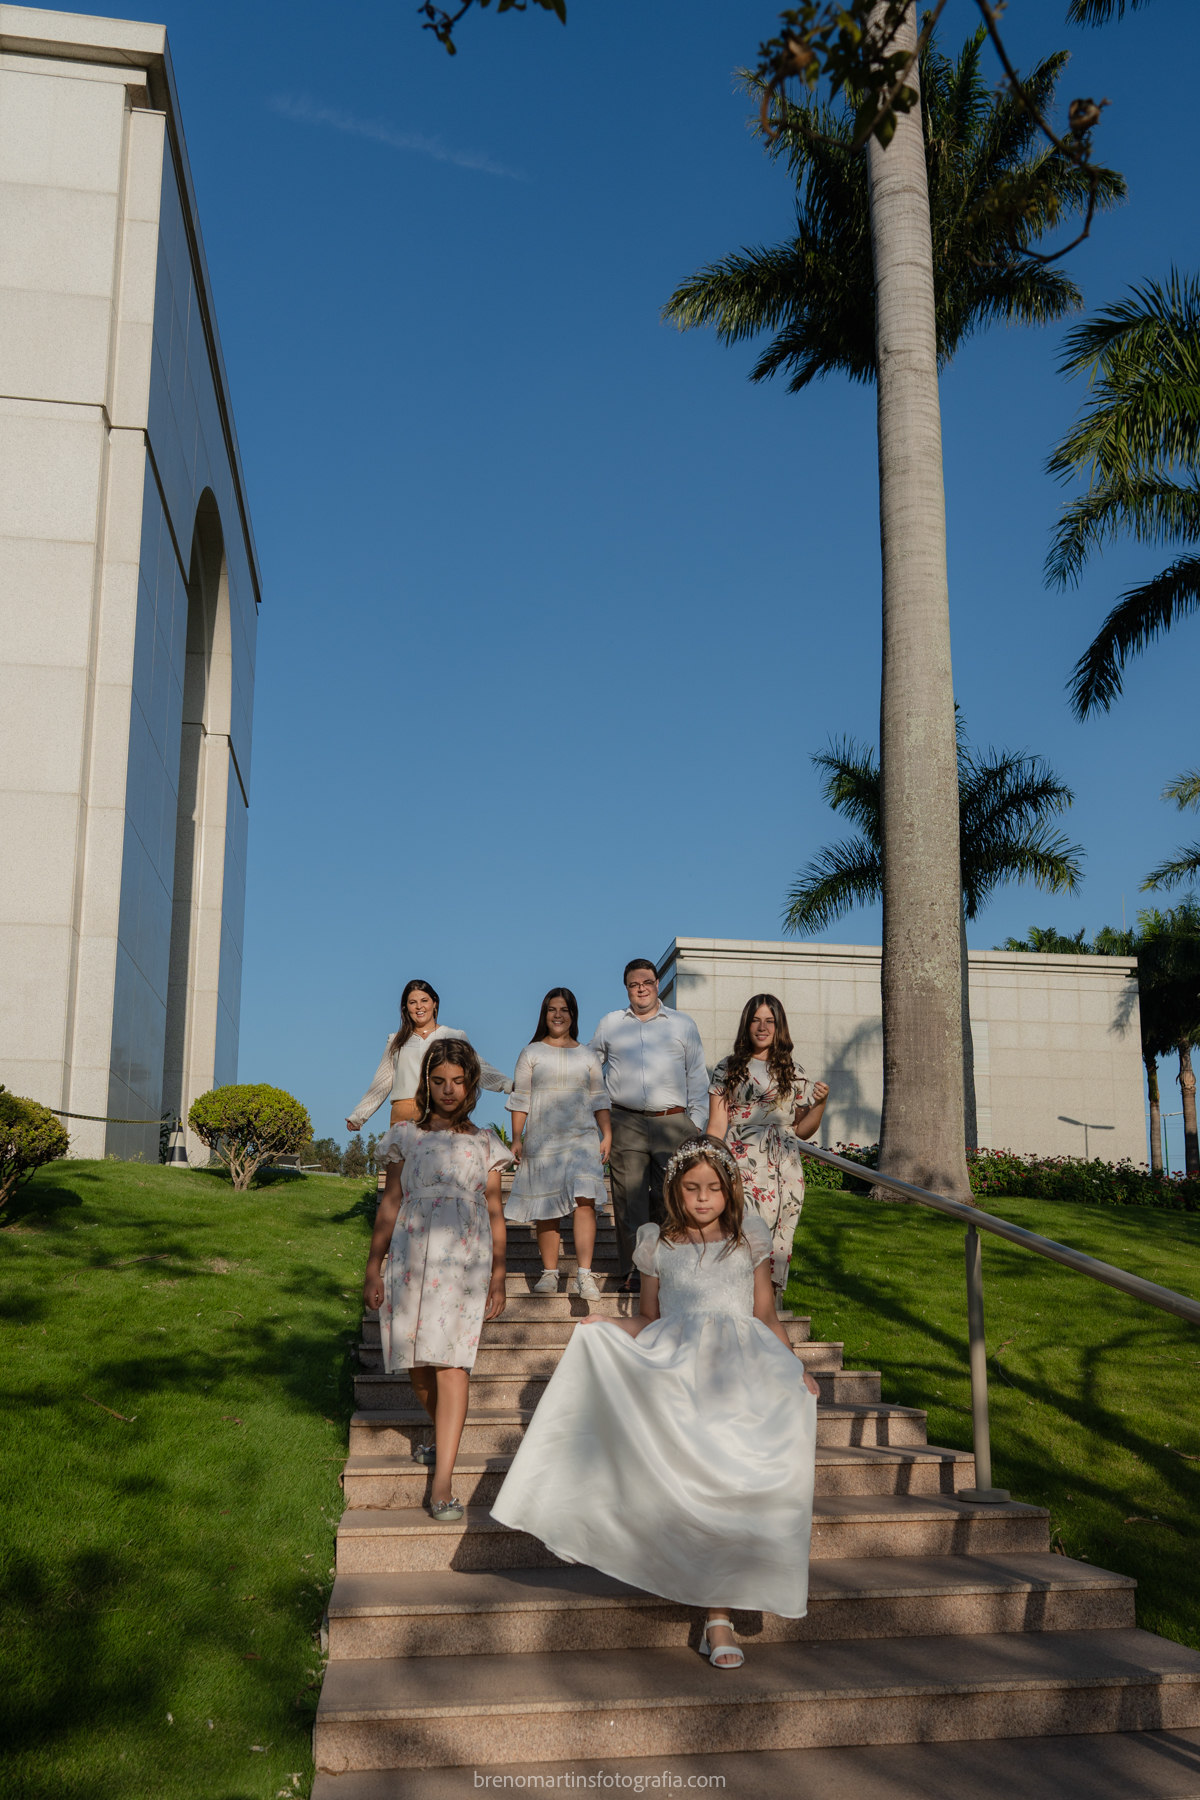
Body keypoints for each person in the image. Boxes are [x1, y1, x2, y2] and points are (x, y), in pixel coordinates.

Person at [491, 1135, 819, 1668]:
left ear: (731, 1190)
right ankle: (706, 1603)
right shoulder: (657, 1244)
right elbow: (648, 1317)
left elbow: (765, 1313)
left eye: (714, 1188)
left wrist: (795, 1366)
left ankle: (720, 1608)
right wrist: (607, 1327)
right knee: (693, 1481)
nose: (704, 1198)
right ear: (675, 1192)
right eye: (692, 1188)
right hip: (677, 1371)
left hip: (743, 1373)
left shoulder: (749, 1239)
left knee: (733, 1481)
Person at [361, 1038, 510, 1523]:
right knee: (417, 1367)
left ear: (470, 1087)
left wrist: (499, 1275)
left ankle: (443, 1482)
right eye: (439, 1080)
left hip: (467, 1260)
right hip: (411, 1254)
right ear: (427, 1082)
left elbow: (495, 1212)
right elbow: (389, 1203)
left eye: (458, 1081)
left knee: (453, 1367)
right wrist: (373, 1265)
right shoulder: (406, 1135)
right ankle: (438, 1434)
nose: (448, 1090)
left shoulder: (486, 1140)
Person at [589, 959, 709, 1292]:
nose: (641, 989)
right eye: (633, 984)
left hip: (673, 1122)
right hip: (624, 1120)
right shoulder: (610, 1024)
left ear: (658, 983)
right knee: (630, 1200)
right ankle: (636, 1271)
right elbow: (588, 1066)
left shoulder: (682, 1024)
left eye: (647, 982)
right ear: (626, 988)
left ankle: (670, 1269)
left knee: (672, 1198)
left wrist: (695, 1123)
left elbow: (697, 1075)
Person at [706, 993, 829, 1299]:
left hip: (784, 1163)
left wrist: (821, 1103)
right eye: (756, 1020)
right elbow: (717, 1124)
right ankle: (739, 1295)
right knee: (745, 1224)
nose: (762, 1027)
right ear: (746, 1025)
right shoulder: (728, 1068)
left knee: (781, 1231)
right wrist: (709, 1162)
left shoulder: (794, 1071)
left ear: (779, 1027)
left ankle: (769, 1300)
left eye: (769, 1021)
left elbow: (802, 1130)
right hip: (741, 1159)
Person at [506, 988, 612, 1301]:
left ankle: (584, 1275)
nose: (557, 1014)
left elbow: (599, 1098)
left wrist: (607, 1133)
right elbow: (521, 1098)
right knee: (546, 1206)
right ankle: (549, 1274)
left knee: (585, 1200)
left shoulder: (588, 1055)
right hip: (541, 1139)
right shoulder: (531, 1053)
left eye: (564, 1009)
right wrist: (516, 1138)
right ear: (544, 1014)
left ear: (573, 1014)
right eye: (552, 1009)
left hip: (582, 1140)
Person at [345, 978, 514, 1135]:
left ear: (434, 1003)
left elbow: (477, 1067)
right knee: (404, 1165)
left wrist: (506, 1084)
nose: (419, 1007)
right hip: (404, 1115)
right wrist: (359, 1116)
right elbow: (382, 1082)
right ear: (406, 1008)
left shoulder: (453, 1035)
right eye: (413, 1002)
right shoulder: (396, 1041)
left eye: (424, 1001)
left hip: (442, 1112)